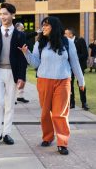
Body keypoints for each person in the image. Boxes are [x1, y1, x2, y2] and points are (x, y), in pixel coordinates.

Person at [19, 16, 85, 155]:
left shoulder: (67, 42)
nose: (43, 28)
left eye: (46, 25)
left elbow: (75, 63)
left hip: (63, 81)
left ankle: (62, 142)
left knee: (59, 114)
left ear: (54, 27)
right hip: (44, 81)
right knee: (45, 114)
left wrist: (81, 81)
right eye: (43, 25)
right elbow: (36, 63)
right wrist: (27, 53)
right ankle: (48, 137)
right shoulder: (39, 43)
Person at [0, 3, 27, 147]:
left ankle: (7, 133)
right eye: (1, 14)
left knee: (10, 103)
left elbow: (23, 58)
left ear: (13, 15)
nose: (3, 17)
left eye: (5, 14)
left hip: (13, 72)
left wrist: (22, 77)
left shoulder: (20, 35)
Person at [64, 27, 89, 111]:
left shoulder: (80, 40)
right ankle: (72, 103)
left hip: (80, 66)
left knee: (81, 83)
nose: (64, 35)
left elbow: (85, 54)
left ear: (71, 34)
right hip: (69, 67)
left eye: (66, 34)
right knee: (70, 84)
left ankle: (84, 103)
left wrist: (74, 58)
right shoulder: (65, 42)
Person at [15, 22, 39, 104]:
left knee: (23, 78)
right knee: (16, 79)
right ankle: (13, 97)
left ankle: (20, 96)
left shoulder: (22, 36)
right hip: (17, 60)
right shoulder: (16, 36)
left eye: (23, 28)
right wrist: (36, 33)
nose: (23, 30)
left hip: (24, 60)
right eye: (21, 28)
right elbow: (26, 36)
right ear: (17, 29)